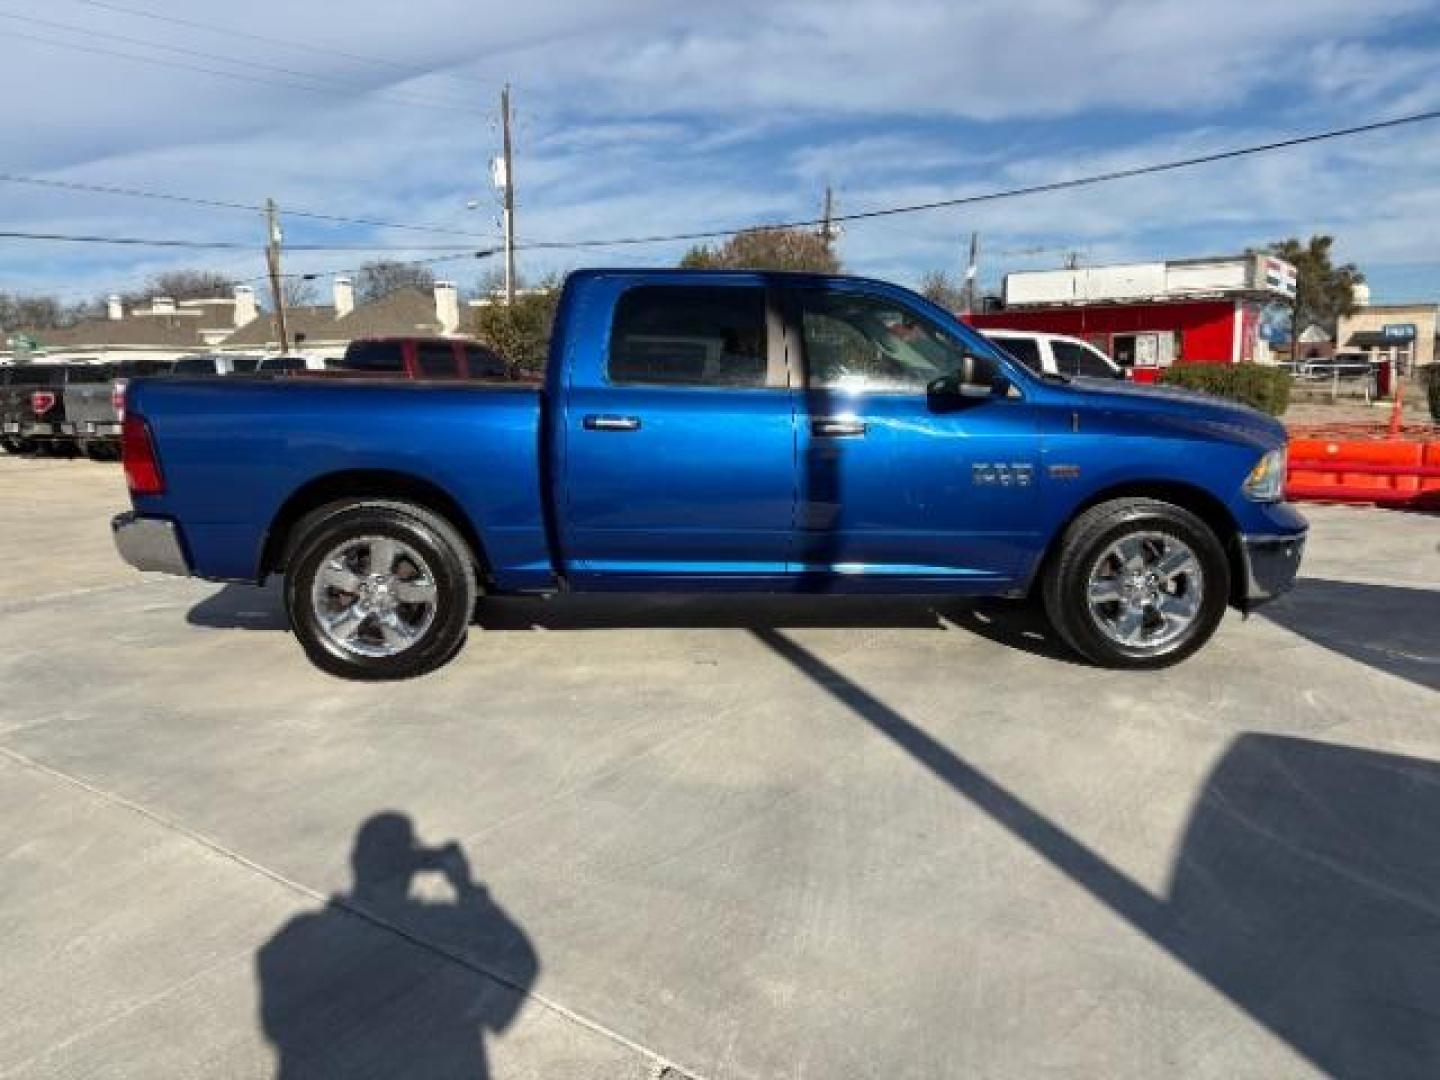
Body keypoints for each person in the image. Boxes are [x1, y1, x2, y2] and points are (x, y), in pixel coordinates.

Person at [257, 813, 537, 1079]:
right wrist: (465, 886)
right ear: (411, 866)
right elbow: (519, 959)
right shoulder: (438, 927)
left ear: (356, 863)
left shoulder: (294, 938)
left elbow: (278, 1023)